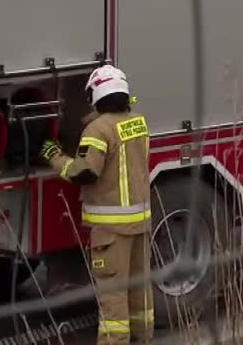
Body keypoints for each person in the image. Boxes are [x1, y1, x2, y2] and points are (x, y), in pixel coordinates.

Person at [42, 65, 153, 345]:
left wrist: (55, 157)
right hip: (139, 224)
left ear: (97, 94)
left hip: (111, 231)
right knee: (139, 287)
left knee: (113, 295)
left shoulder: (98, 129)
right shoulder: (138, 121)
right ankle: (142, 337)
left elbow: (84, 172)